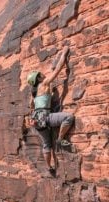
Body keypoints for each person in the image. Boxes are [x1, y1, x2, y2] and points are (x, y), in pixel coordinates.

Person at [28, 46, 74, 175]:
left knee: (47, 144)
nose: (42, 74)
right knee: (68, 117)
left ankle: (49, 167)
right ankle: (60, 139)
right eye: (39, 74)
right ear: (38, 78)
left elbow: (31, 108)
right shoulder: (45, 84)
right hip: (46, 117)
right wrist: (64, 53)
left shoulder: (33, 94)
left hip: (36, 121)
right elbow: (58, 69)